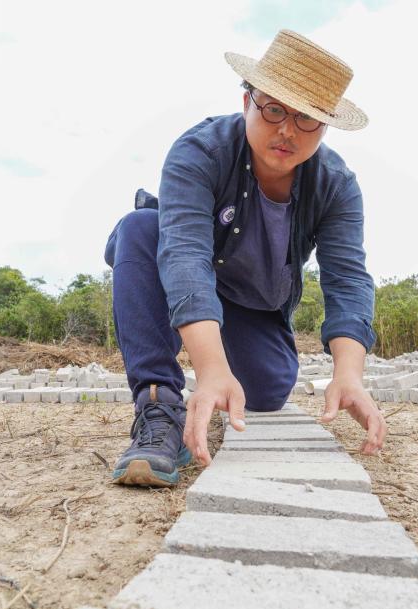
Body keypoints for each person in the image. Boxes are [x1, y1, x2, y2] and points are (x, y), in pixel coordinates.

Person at [104, 29, 386, 487]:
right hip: (187, 278)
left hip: (251, 304)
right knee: (141, 229)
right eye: (273, 108)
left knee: (268, 390)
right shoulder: (200, 151)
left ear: (326, 125)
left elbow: (348, 279)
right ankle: (157, 407)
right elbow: (184, 254)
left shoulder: (336, 186)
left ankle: (227, 366)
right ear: (247, 103)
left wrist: (349, 375)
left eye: (306, 118)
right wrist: (210, 368)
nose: (286, 129)